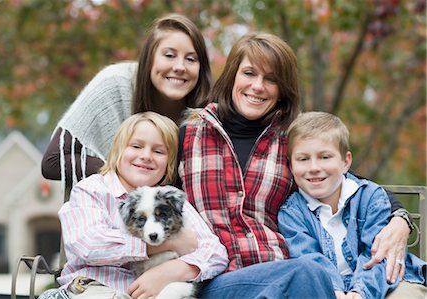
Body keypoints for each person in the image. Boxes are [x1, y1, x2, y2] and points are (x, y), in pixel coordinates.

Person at [178, 32, 414, 298]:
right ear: (232, 75)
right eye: (249, 73)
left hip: (283, 273)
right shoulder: (191, 133)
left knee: (307, 274)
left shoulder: (290, 139)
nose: (257, 86)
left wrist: (400, 220)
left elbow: (350, 182)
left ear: (282, 90)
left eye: (271, 79)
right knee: (309, 273)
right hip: (219, 280)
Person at [39, 112, 228, 299]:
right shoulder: (92, 190)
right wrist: (163, 244)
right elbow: (87, 243)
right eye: (136, 146)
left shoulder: (170, 199)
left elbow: (216, 253)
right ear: (117, 151)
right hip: (91, 289)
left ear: (169, 163)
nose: (146, 156)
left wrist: (172, 271)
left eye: (158, 151)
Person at [41, 13, 211, 188]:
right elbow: (53, 161)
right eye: (169, 55)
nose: (180, 67)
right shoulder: (114, 83)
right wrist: (125, 174)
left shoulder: (206, 116)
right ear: (149, 58)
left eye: (191, 59)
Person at [278, 111, 427, 299]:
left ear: (346, 161)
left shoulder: (370, 198)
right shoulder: (291, 213)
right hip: (325, 291)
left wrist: (360, 292)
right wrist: (334, 292)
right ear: (291, 166)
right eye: (303, 159)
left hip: (384, 282)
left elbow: (378, 255)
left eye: (325, 157)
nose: (314, 167)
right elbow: (309, 260)